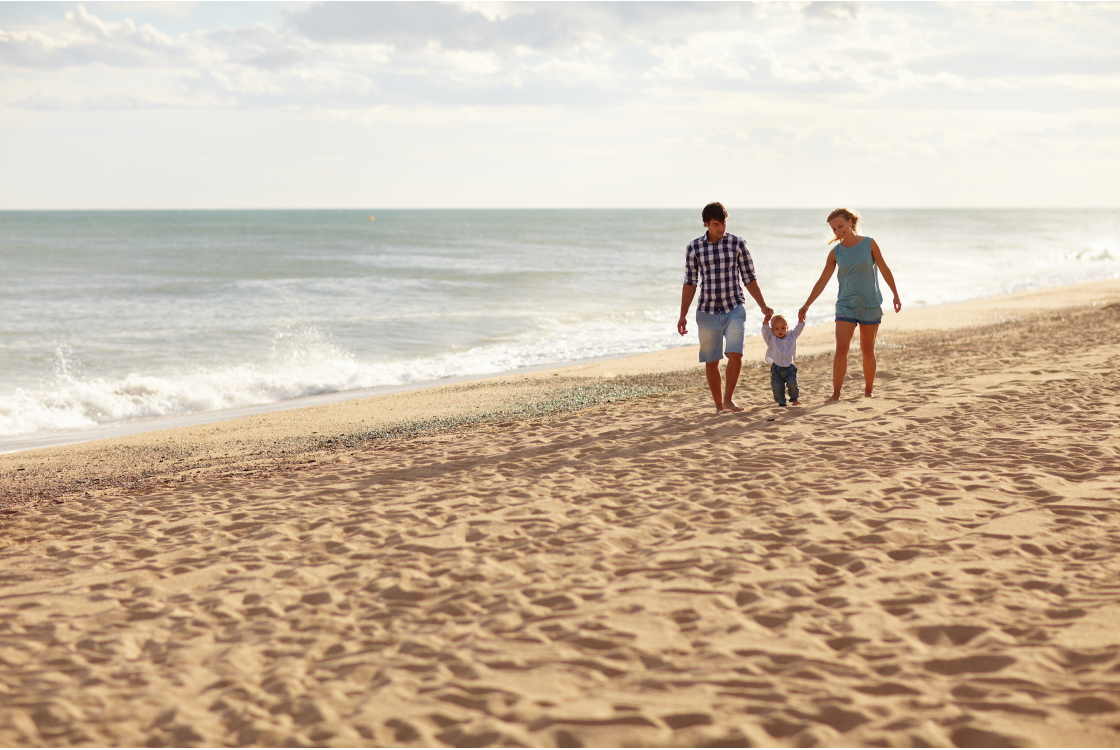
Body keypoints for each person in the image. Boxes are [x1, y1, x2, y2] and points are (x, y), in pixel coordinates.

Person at [678, 202, 774, 412]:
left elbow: (749, 277)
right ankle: (719, 406)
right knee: (712, 362)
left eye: (723, 223)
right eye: (715, 224)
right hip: (707, 311)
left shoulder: (737, 244)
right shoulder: (694, 248)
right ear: (706, 224)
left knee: (736, 354)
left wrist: (763, 305)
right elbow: (690, 283)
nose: (721, 228)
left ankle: (729, 399)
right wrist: (682, 315)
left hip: (734, 308)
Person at [798, 208, 901, 401]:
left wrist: (895, 294)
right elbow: (822, 281)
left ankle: (868, 391)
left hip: (869, 305)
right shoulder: (835, 252)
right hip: (845, 305)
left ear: (851, 222)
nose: (837, 231)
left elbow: (885, 269)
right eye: (833, 228)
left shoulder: (869, 243)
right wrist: (807, 305)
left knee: (867, 350)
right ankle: (836, 394)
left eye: (840, 226)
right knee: (841, 349)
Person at [761, 314, 805, 407]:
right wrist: (766, 323)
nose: (780, 331)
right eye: (776, 329)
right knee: (777, 386)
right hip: (776, 368)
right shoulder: (771, 338)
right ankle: (781, 402)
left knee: (793, 384)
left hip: (790, 368)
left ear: (787, 328)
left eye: (783, 328)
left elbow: (799, 329)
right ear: (772, 330)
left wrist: (801, 321)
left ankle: (795, 399)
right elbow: (765, 331)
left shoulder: (792, 336)